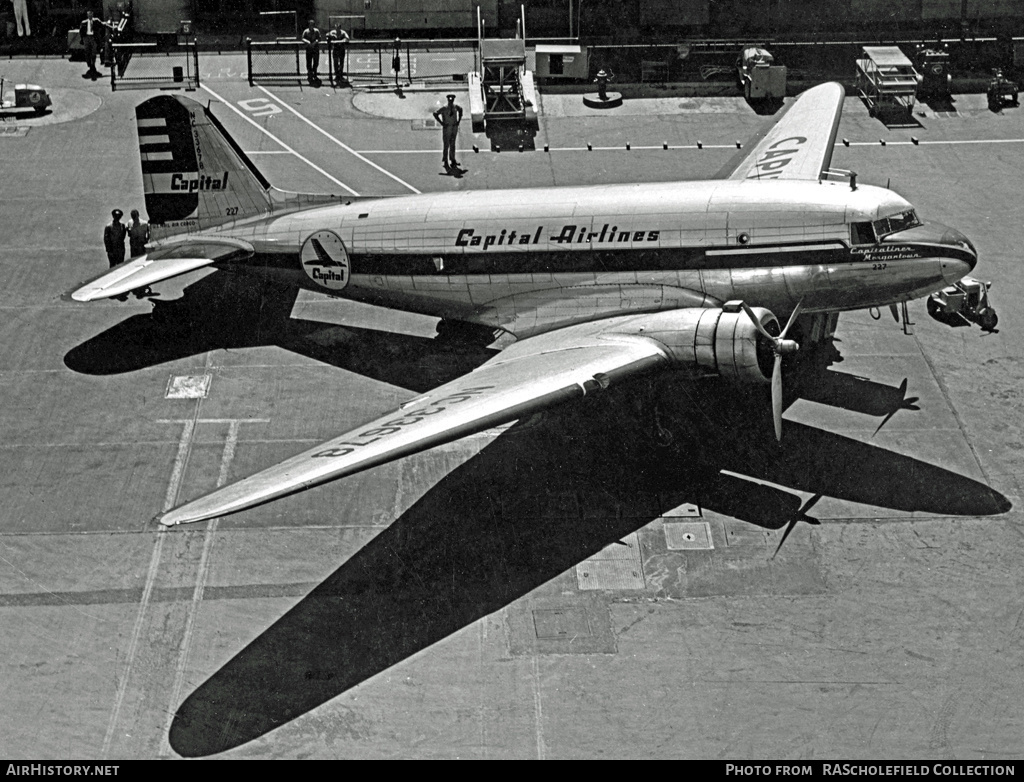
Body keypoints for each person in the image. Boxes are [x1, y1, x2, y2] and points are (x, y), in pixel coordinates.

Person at [432, 94, 463, 171]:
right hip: (447, 127)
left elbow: (461, 109)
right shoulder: (444, 108)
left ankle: (453, 159)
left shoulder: (455, 107)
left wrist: (459, 120)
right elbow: (435, 113)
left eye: (452, 99)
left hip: (454, 127)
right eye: (450, 99)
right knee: (446, 145)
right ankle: (445, 161)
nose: (451, 101)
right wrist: (441, 123)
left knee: (453, 144)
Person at [80, 10, 103, 79]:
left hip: (93, 38)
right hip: (87, 37)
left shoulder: (96, 21)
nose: (89, 16)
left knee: (93, 52)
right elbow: (81, 31)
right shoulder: (84, 22)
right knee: (87, 52)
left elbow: (102, 25)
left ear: (92, 14)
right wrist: (83, 39)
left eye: (91, 14)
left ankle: (93, 64)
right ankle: (89, 64)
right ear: (87, 15)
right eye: (88, 14)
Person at [301, 19, 321, 84]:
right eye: (310, 24)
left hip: (315, 49)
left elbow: (319, 38)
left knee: (316, 62)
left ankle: (315, 73)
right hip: (309, 49)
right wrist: (307, 42)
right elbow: (302, 38)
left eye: (312, 25)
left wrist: (315, 42)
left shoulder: (316, 31)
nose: (311, 26)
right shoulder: (306, 31)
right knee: (309, 62)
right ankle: (310, 74)